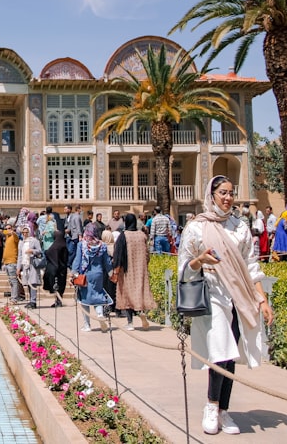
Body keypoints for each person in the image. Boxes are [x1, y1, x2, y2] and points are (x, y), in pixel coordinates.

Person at [178, 175, 274, 436]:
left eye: (231, 192)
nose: (228, 197)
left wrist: (261, 300)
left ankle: (224, 409)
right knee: (220, 351)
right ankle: (211, 404)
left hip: (239, 296)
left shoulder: (239, 227)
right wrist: (200, 258)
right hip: (213, 293)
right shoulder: (197, 227)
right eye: (223, 192)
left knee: (230, 354)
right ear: (212, 195)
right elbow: (184, 267)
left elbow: (251, 266)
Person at [112, 213, 157, 330]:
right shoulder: (142, 235)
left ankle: (130, 322)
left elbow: (118, 253)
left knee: (127, 294)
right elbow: (147, 253)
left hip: (127, 270)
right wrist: (144, 264)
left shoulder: (124, 235)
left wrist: (116, 267)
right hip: (140, 269)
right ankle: (141, 312)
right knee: (139, 291)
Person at [71, 227, 113, 331]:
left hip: (85, 275)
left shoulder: (82, 244)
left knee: (85, 299)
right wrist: (110, 272)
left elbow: (78, 259)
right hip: (98, 274)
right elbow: (106, 261)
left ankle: (87, 325)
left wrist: (74, 272)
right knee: (98, 294)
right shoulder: (102, 245)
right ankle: (99, 314)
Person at [17, 224, 43, 308]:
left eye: (26, 232)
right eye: (23, 232)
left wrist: (32, 251)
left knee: (33, 282)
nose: (24, 234)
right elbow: (20, 256)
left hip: (33, 265)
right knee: (28, 283)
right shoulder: (21, 242)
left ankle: (33, 301)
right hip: (25, 265)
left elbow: (39, 251)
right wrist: (18, 268)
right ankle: (31, 300)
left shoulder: (34, 241)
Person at [42, 230, 69, 307]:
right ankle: (58, 301)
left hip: (56, 269)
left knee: (56, 285)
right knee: (60, 285)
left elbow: (49, 254)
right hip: (63, 269)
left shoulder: (54, 246)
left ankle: (58, 301)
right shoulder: (64, 245)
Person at [2, 222, 22, 303]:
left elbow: (17, 236)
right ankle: (13, 296)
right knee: (11, 281)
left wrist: (12, 231)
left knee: (14, 281)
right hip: (6, 262)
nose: (7, 230)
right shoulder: (7, 237)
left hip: (12, 262)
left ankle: (14, 298)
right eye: (6, 228)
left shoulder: (14, 236)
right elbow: (2, 232)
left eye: (9, 228)